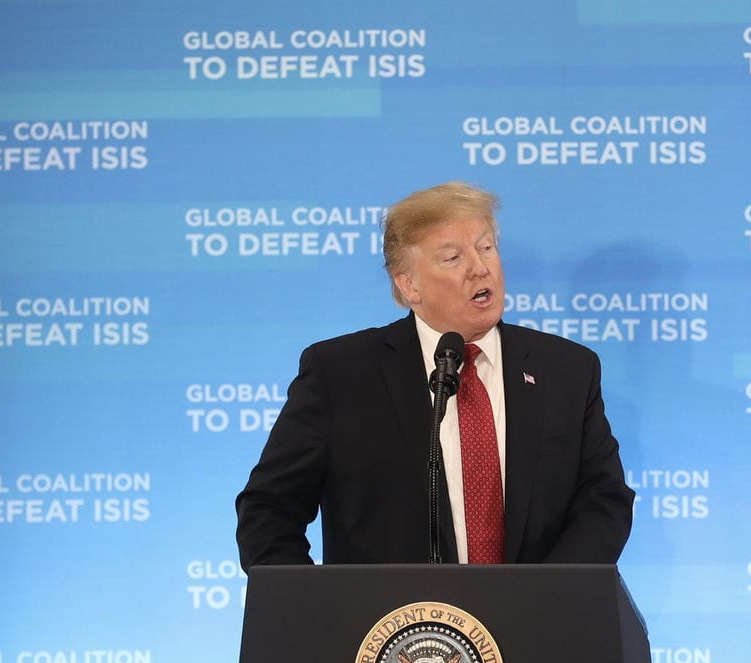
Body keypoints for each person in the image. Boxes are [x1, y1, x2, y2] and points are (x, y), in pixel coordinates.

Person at [235, 181, 633, 568]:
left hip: (537, 626)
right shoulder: (340, 374)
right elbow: (269, 508)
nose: (480, 269)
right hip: (392, 629)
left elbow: (604, 496)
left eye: (486, 248)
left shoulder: (566, 369)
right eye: (453, 257)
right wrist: (310, 611)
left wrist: (553, 596)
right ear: (409, 285)